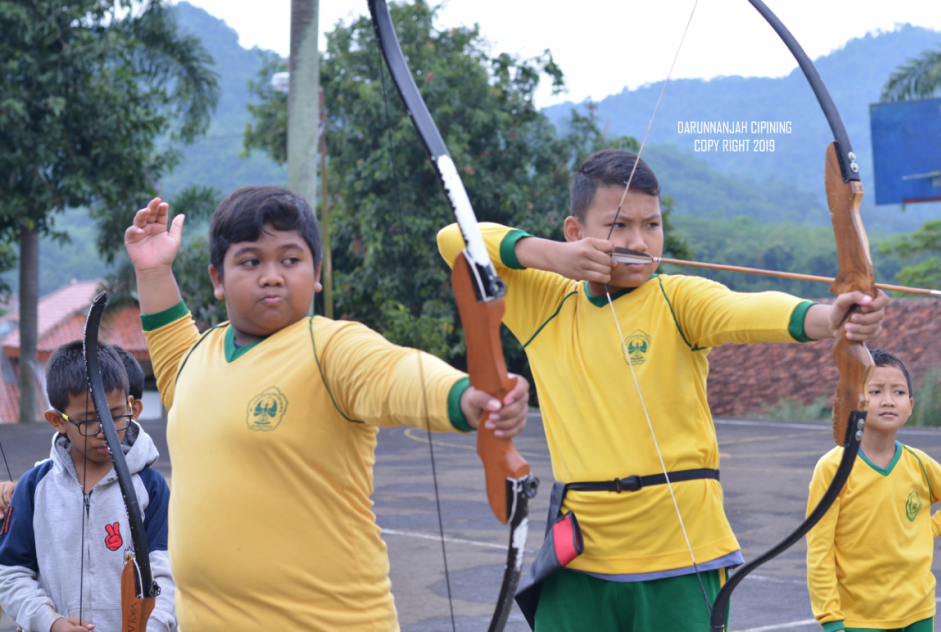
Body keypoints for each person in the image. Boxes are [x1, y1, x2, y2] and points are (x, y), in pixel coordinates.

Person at [435, 149, 889, 632]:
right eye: (618, 225)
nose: (638, 241)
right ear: (575, 232)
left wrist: (830, 318)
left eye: (651, 225)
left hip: (680, 555)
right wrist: (554, 257)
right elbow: (454, 240)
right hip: (580, 558)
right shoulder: (545, 299)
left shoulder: (679, 298)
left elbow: (751, 310)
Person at [124, 186, 530, 630]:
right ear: (217, 279)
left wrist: (468, 397)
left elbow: (396, 375)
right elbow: (166, 328)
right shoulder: (192, 360)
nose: (272, 275)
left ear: (316, 272)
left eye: (290, 260)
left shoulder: (331, 346)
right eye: (250, 261)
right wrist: (153, 269)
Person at [0, 341, 175, 632]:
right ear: (58, 421)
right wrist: (49, 622)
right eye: (89, 421)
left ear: (132, 406)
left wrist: (152, 626)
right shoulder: (33, 488)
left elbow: (167, 571)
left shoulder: (150, 487)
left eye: (116, 415)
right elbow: (10, 572)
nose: (105, 431)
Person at [805, 349, 941, 632]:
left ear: (910, 405)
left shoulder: (919, 462)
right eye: (875, 391)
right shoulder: (833, 467)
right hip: (859, 618)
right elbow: (819, 549)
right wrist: (830, 617)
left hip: (918, 611)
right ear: (854, 402)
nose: (887, 400)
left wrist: (925, 529)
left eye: (898, 392)